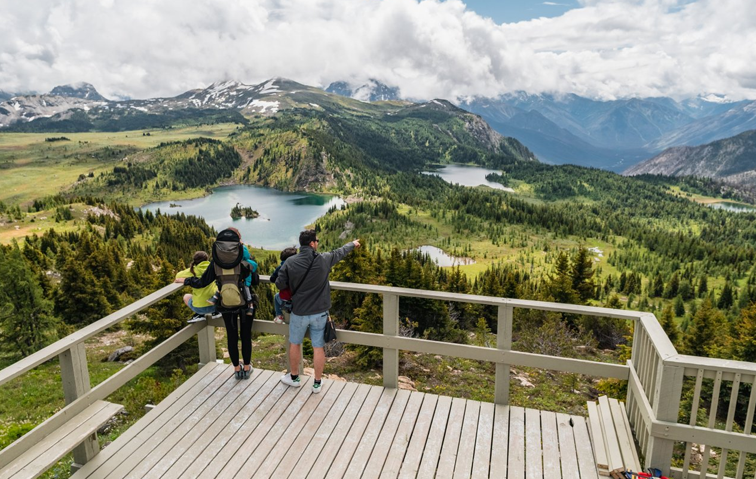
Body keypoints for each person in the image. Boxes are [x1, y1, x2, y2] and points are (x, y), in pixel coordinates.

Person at [275, 230, 360, 393]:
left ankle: (294, 378)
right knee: (318, 347)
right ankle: (317, 383)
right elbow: (340, 252)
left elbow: (280, 284)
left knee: (295, 343)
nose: (318, 243)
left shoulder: (290, 262)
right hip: (320, 312)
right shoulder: (324, 259)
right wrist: (352, 244)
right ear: (312, 243)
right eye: (317, 241)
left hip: (299, 311)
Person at [176, 228, 257, 380]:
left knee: (232, 336)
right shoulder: (244, 263)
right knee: (245, 335)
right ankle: (247, 368)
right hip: (246, 303)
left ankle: (237, 369)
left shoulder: (215, 264)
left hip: (225, 304)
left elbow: (201, 282)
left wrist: (186, 280)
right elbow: (255, 279)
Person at [207, 227, 258, 317]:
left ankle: (215, 298)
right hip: (241, 280)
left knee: (221, 284)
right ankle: (250, 305)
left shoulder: (221, 251)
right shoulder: (241, 247)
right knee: (246, 289)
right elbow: (247, 259)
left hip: (224, 279)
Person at [174, 251, 221, 323]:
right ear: (207, 259)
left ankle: (199, 315)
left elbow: (178, 276)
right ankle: (215, 312)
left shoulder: (193, 270)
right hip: (215, 305)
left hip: (199, 308)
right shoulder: (212, 268)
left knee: (186, 296)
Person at [269, 247, 298, 324]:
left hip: (284, 299)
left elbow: (272, 279)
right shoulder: (298, 267)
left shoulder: (280, 268)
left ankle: (279, 316)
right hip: (297, 299)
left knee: (276, 296)